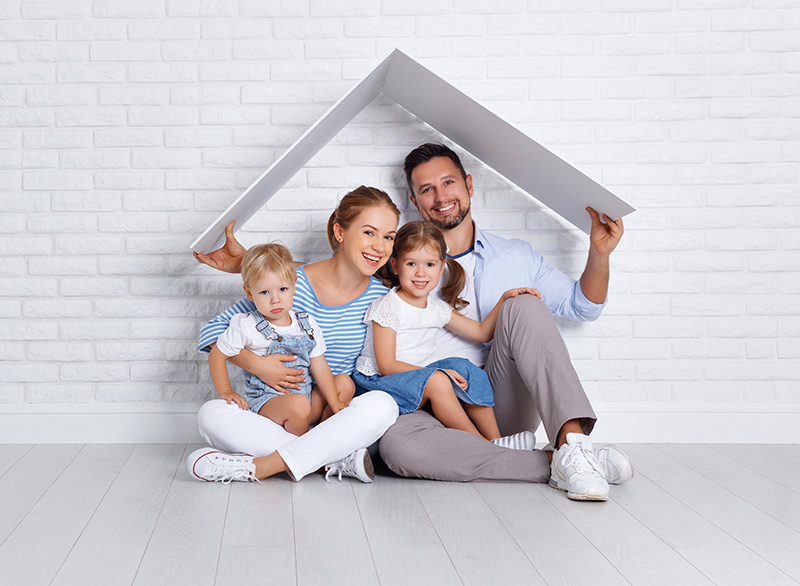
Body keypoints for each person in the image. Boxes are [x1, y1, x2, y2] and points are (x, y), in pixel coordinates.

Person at [376, 143, 634, 501]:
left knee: (523, 305)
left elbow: (583, 306)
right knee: (397, 448)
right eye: (427, 189)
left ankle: (572, 441)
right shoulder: (402, 264)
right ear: (415, 201)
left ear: (468, 185)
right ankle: (561, 461)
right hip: (429, 406)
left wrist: (600, 253)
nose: (440, 196)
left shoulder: (516, 255)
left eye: (448, 183)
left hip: (497, 401)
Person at [187, 186, 401, 484]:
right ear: (340, 232)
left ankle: (262, 466)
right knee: (211, 414)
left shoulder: (383, 300)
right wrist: (257, 365)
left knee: (383, 405)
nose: (379, 246)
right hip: (280, 411)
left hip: (330, 414)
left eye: (388, 237)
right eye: (369, 232)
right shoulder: (289, 285)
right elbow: (212, 333)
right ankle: (328, 459)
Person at [353, 221, 538, 450]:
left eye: (430, 264)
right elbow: (387, 365)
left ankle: (496, 439)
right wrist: (436, 373)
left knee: (466, 368)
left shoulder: (436, 307)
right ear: (396, 265)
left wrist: (504, 300)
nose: (421, 272)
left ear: (441, 269)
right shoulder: (389, 306)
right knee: (439, 380)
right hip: (379, 382)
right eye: (411, 263)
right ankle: (486, 447)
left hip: (419, 375)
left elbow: (481, 333)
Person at [209, 243, 354, 435]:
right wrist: (226, 391)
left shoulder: (306, 323)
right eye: (264, 292)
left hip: (305, 400)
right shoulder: (247, 325)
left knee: (344, 383)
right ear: (249, 293)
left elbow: (319, 366)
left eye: (283, 289)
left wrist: (334, 402)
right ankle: (298, 455)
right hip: (270, 406)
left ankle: (322, 440)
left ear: (294, 286)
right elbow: (216, 355)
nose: (275, 299)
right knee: (299, 405)